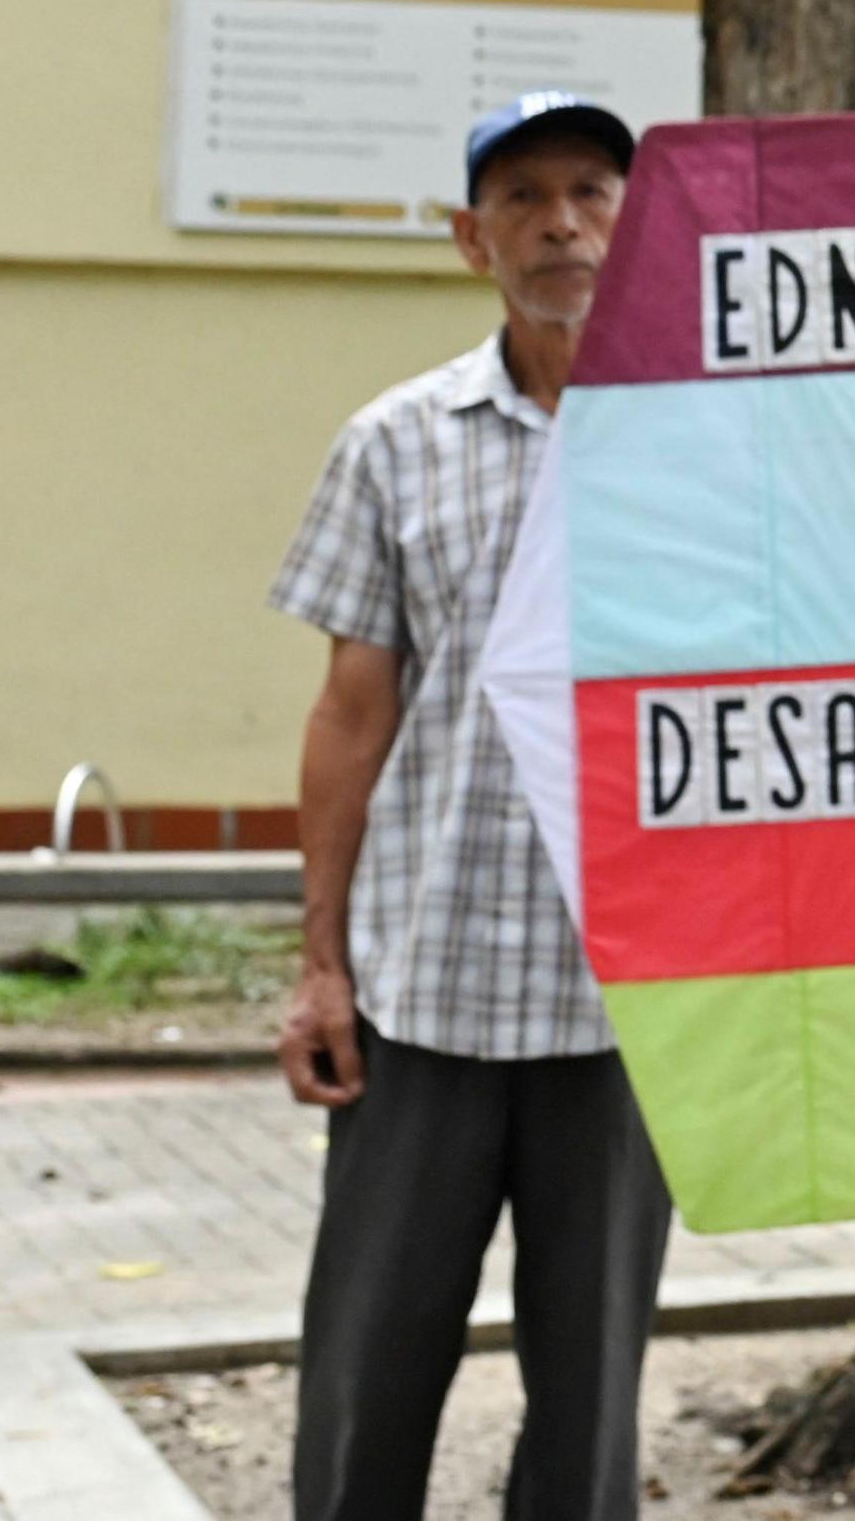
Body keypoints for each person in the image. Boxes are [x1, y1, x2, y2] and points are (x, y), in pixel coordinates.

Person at [268, 91, 667, 1521]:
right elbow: (349, 715)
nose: (561, 222)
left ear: (636, 225)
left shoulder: (695, 443)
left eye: (592, 193)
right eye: (523, 197)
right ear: (469, 238)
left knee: (590, 1407)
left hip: (626, 1010)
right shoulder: (395, 442)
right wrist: (320, 967)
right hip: (422, 999)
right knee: (368, 1381)